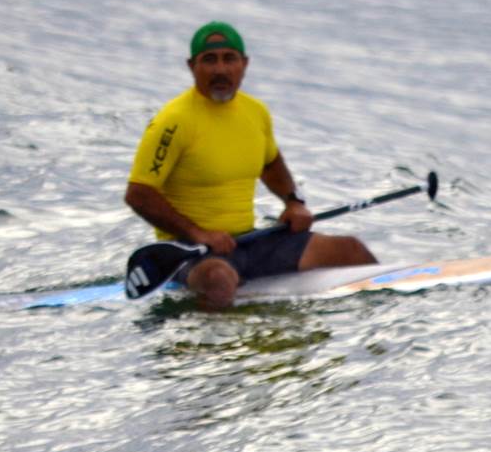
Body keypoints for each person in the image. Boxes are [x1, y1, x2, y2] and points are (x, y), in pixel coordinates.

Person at [124, 21, 376, 310]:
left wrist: (294, 202)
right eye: (209, 60)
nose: (220, 69)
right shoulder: (172, 122)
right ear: (192, 66)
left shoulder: (256, 113)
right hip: (193, 252)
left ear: (244, 64)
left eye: (229, 59)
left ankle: (377, 327)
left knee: (350, 250)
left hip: (250, 242)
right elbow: (139, 194)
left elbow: (270, 164)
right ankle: (216, 336)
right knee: (218, 280)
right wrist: (198, 233)